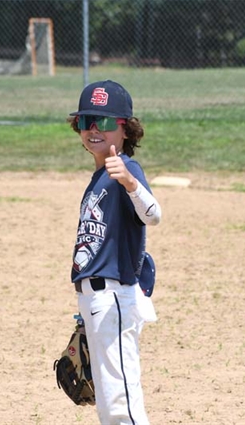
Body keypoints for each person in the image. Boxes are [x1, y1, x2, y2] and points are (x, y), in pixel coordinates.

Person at [68, 80, 162, 425]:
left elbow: (154, 215)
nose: (94, 129)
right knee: (109, 404)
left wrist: (130, 184)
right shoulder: (98, 178)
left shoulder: (126, 170)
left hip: (114, 299)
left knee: (121, 405)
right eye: (86, 121)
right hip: (96, 301)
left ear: (126, 130)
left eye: (105, 122)